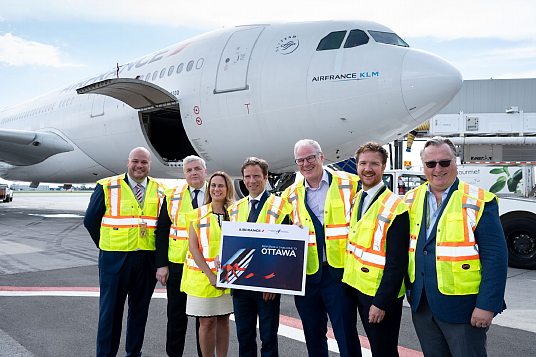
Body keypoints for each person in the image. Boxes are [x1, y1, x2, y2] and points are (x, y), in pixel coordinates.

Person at [404, 136, 508, 357]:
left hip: (465, 309)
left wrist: (487, 305)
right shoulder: (410, 200)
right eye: (431, 164)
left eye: (445, 162)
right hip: (422, 305)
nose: (438, 169)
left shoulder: (480, 201)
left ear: (456, 162)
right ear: (423, 166)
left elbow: (495, 258)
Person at [281, 139, 362, 357]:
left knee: (346, 334)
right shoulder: (289, 195)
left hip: (338, 274)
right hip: (307, 276)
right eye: (301, 160)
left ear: (322, 157)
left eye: (310, 158)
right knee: (313, 335)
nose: (306, 164)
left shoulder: (352, 184)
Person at [84, 147, 167, 357]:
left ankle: (134, 353)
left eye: (144, 163)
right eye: (136, 161)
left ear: (149, 165)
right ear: (128, 162)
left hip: (145, 261)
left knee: (139, 313)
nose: (139, 166)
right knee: (110, 315)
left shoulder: (160, 190)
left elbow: (162, 228)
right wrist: (107, 245)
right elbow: (90, 221)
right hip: (115, 260)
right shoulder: (107, 186)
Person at [342, 142, 409, 357]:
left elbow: (397, 262)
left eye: (374, 164)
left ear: (383, 166)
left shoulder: (395, 206)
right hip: (357, 288)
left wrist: (381, 303)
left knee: (384, 351)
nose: (367, 169)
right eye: (363, 163)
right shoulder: (357, 198)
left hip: (379, 294)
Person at [227, 157, 292, 357]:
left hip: (267, 286)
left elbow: (286, 248)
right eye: (247, 177)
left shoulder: (282, 206)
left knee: (269, 338)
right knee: (244, 337)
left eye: (256, 176)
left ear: (265, 177)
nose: (252, 180)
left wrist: (274, 285)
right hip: (241, 285)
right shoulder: (235, 208)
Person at [156, 155, 208, 357]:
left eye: (197, 168)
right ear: (184, 173)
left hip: (205, 267)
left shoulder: (217, 193)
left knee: (204, 318)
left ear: (205, 170)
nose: (193, 173)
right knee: (176, 316)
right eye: (189, 170)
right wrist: (161, 265)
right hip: (178, 265)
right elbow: (162, 230)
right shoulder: (172, 196)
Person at [182, 171, 235, 357]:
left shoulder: (236, 213)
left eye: (221, 185)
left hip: (229, 278)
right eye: (213, 185)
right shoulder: (197, 215)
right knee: (206, 323)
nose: (216, 189)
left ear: (228, 188)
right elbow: (193, 248)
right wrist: (211, 276)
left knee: (223, 321)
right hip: (203, 279)